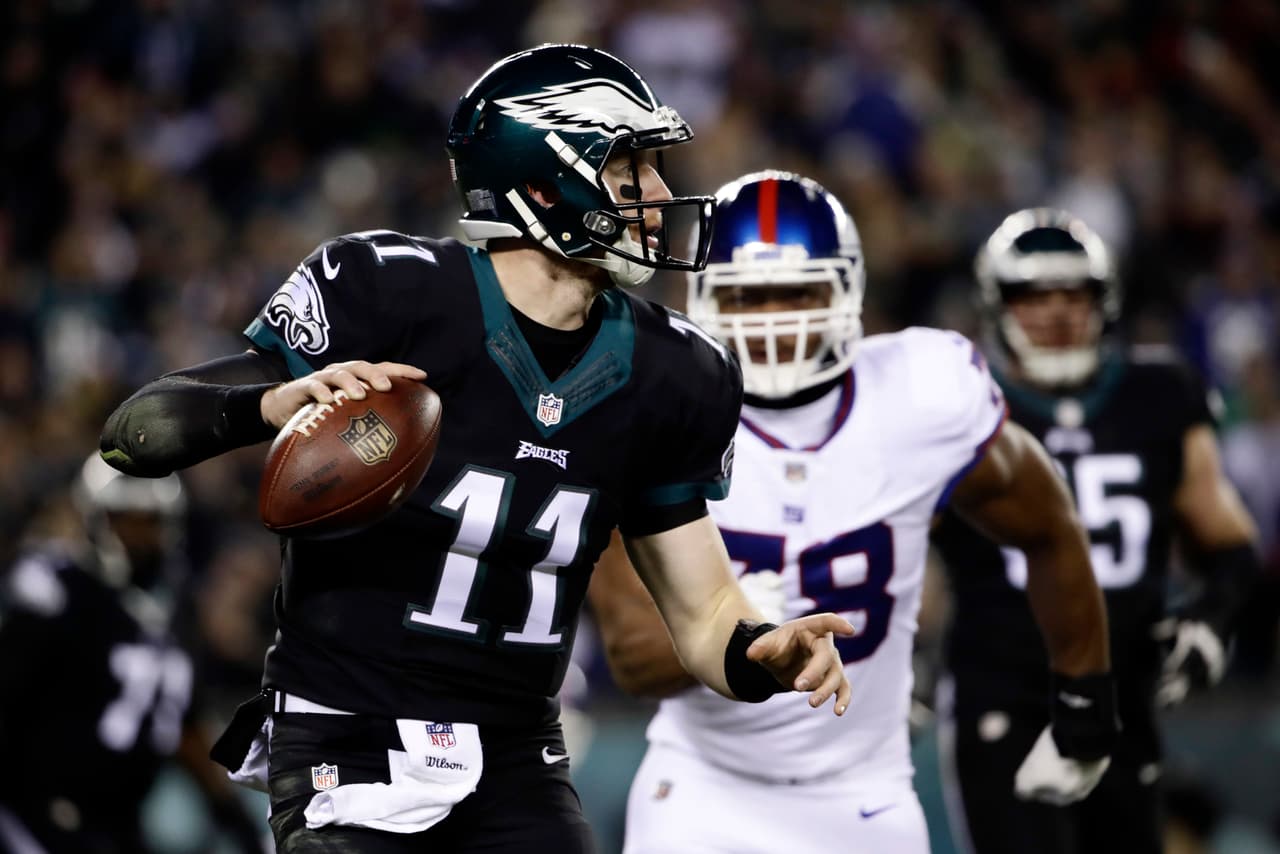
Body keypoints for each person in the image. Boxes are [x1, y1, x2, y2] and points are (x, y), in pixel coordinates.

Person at [97, 45, 854, 854]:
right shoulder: (390, 291)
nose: (661, 193)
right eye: (629, 167)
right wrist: (269, 403)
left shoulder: (675, 372)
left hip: (518, 759)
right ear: (543, 186)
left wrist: (760, 651)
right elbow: (132, 436)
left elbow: (704, 613)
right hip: (348, 735)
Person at [587, 172, 1118, 854]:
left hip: (865, 795)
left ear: (847, 291)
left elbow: (1050, 525)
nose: (775, 319)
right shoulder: (656, 405)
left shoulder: (921, 395)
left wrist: (1085, 696)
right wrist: (747, 628)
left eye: (797, 292)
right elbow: (634, 657)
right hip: (702, 790)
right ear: (703, 298)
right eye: (749, 296)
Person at [931, 207, 1261, 854]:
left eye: (1073, 294)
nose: (1056, 313)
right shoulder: (959, 401)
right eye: (1034, 296)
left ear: (1103, 301)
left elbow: (1228, 544)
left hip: (1124, 697)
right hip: (1003, 692)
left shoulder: (1157, 392)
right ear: (997, 305)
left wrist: (1211, 618)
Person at [0, 454, 264, 854]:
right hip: (38, 813)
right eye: (127, 520)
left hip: (116, 825)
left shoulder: (173, 607)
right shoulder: (57, 592)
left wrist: (236, 820)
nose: (141, 536)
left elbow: (185, 728)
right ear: (96, 519)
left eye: (152, 521)